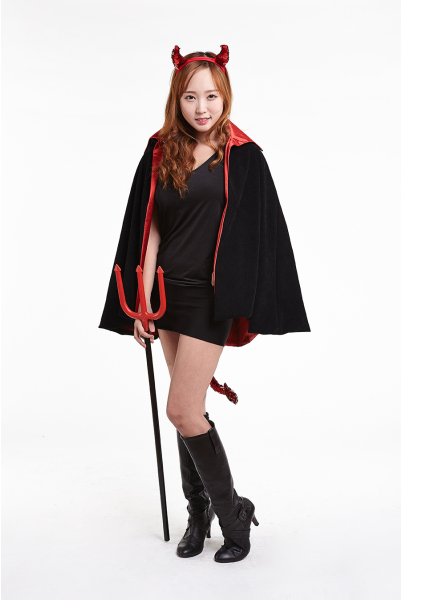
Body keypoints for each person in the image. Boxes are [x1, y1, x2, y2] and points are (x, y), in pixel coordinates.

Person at [99, 45, 310, 564]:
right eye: (191, 97)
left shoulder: (244, 156)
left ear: (225, 96)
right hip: (166, 292)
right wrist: (142, 300)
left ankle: (233, 514)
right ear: (177, 99)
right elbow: (149, 226)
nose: (201, 107)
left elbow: (257, 234)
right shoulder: (160, 150)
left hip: (209, 298)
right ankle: (199, 515)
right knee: (187, 410)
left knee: (181, 409)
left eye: (211, 96)